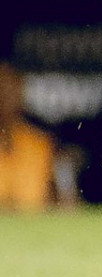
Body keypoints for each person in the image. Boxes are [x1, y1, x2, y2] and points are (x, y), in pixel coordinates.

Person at [0, 61, 57, 212]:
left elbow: (61, 202)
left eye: (10, 89)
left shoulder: (40, 142)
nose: (4, 98)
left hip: (37, 226)